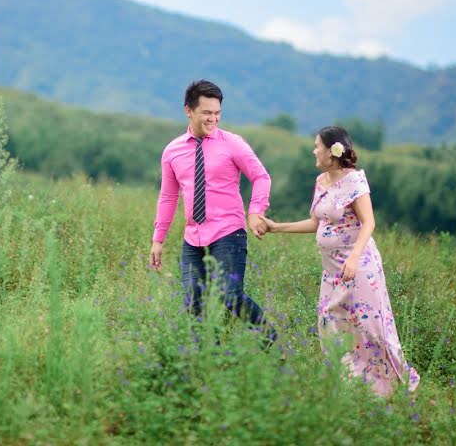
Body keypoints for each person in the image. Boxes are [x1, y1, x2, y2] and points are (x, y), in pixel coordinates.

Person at [262, 126, 419, 397]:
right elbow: (315, 222)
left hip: (358, 266)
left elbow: (369, 222)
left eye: (317, 146)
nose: (314, 150)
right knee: (330, 324)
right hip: (331, 270)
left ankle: (400, 386)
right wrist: (277, 227)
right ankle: (351, 385)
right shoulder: (321, 181)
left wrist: (355, 258)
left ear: (332, 152)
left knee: (371, 329)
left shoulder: (355, 182)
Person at [149, 79, 276, 345]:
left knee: (229, 295)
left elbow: (261, 177)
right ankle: (210, 361)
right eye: (207, 112)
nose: (213, 119)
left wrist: (255, 211)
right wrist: (158, 240)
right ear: (189, 110)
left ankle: (270, 341)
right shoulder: (172, 151)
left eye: (217, 113)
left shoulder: (233, 144)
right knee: (194, 305)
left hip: (228, 233)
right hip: (193, 239)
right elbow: (168, 196)